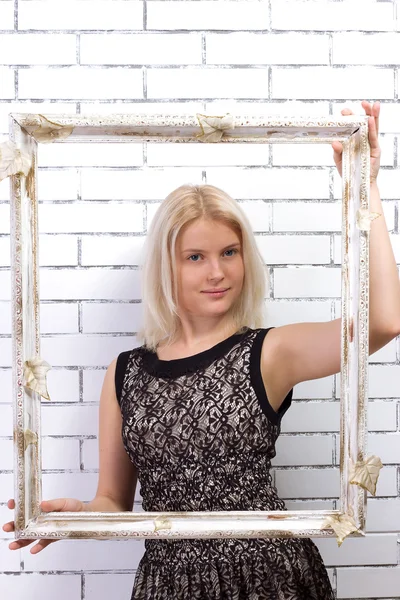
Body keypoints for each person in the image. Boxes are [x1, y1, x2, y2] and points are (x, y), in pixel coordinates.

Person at [3, 101, 400, 599]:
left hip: (267, 577)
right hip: (168, 583)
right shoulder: (124, 373)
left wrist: (367, 186)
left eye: (229, 253)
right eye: (196, 257)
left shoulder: (269, 352)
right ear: (167, 267)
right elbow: (113, 500)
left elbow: (382, 322)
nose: (217, 272)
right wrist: (83, 518)